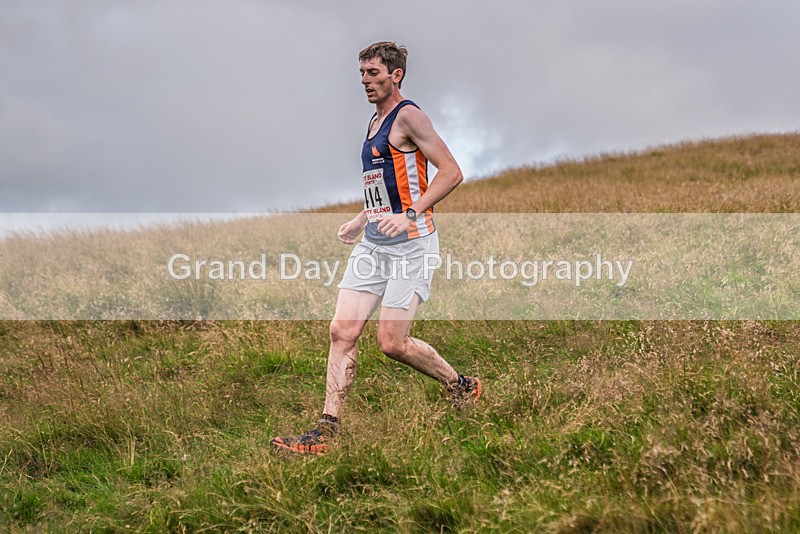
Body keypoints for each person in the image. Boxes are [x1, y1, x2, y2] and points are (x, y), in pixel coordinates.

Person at [271, 41, 481, 455]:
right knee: (341, 331)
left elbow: (452, 172)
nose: (365, 81)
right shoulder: (374, 121)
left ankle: (461, 386)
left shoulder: (409, 116)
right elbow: (383, 185)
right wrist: (362, 217)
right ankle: (326, 431)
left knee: (392, 344)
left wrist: (412, 213)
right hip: (373, 245)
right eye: (362, 74)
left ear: (395, 74)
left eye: (373, 73)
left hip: (413, 246)